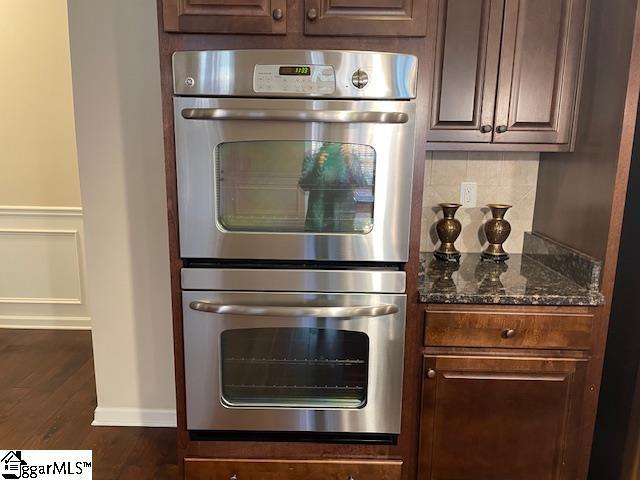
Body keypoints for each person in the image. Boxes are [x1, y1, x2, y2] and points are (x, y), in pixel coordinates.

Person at [298, 143, 370, 232]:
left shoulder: (350, 156)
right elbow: (303, 185)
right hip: (317, 221)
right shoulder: (313, 156)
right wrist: (317, 167)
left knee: (344, 245)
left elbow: (362, 184)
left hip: (343, 220)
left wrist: (350, 162)